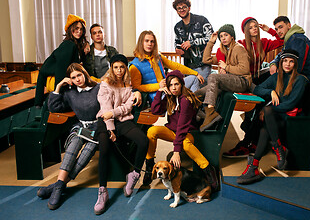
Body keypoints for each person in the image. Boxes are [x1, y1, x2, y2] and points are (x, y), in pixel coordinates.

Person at [237, 49, 307, 184]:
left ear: (295, 64)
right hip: (274, 118)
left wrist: (267, 110)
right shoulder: (277, 77)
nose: (287, 64)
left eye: (291, 61)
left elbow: (290, 104)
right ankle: (261, 161)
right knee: (265, 127)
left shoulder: (300, 80)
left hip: (290, 118)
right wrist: (271, 92)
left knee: (268, 112)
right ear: (281, 62)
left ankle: (257, 164)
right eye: (285, 61)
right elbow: (257, 89)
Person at [36, 63, 100, 210]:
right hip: (80, 126)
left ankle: (58, 186)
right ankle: (59, 185)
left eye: (79, 75)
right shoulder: (70, 92)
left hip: (97, 128)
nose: (77, 79)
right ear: (69, 79)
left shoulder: (98, 88)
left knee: (86, 153)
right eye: (73, 77)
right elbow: (54, 107)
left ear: (84, 73)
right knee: (72, 147)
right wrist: (58, 87)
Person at [142, 70, 219, 191]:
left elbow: (182, 127)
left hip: (188, 132)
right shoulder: (170, 97)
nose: (173, 88)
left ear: (181, 84)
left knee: (186, 145)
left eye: (176, 84)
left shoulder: (185, 100)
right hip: (173, 131)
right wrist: (159, 92)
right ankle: (149, 167)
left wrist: (176, 152)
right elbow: (156, 111)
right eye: (171, 85)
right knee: (152, 131)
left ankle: (208, 169)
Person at [93, 54, 149, 215]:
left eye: (122, 67)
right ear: (111, 68)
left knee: (143, 141)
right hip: (104, 122)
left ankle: (134, 174)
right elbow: (105, 109)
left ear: (126, 68)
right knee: (104, 149)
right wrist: (110, 129)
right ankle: (102, 191)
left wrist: (114, 112)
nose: (119, 70)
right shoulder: (105, 84)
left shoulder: (128, 84)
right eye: (116, 67)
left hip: (123, 120)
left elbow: (127, 107)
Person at [222, 17, 284, 158]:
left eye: (255, 26)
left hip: (258, 78)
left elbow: (281, 41)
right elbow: (225, 51)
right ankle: (250, 136)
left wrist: (270, 30)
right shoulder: (241, 44)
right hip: (247, 79)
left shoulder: (264, 42)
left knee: (259, 104)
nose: (254, 29)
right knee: (253, 108)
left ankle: (252, 139)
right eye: (250, 27)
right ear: (245, 31)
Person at [195, 24, 251, 132]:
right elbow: (206, 60)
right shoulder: (225, 51)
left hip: (242, 81)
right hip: (231, 80)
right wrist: (211, 42)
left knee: (213, 77)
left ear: (232, 37)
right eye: (221, 36)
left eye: (226, 35)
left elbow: (245, 69)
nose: (223, 38)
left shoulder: (239, 48)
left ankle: (210, 112)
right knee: (198, 93)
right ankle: (201, 116)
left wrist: (227, 67)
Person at [129, 30, 203, 102]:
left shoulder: (158, 57)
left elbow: (176, 66)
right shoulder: (135, 65)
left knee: (194, 79)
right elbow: (137, 87)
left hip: (169, 86)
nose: (150, 44)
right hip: (158, 94)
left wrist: (195, 73)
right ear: (141, 43)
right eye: (146, 41)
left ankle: (193, 105)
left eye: (152, 41)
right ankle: (187, 106)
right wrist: (158, 86)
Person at [35, 14, 88, 107]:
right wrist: (58, 94)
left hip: (57, 76)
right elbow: (61, 70)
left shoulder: (76, 45)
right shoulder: (68, 45)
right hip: (51, 76)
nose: (79, 31)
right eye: (76, 29)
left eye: (81, 29)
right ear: (70, 30)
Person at [173, 0, 213, 92]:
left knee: (201, 91)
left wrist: (192, 43)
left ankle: (204, 107)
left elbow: (211, 38)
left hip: (202, 64)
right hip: (188, 66)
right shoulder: (177, 27)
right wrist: (177, 49)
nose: (182, 10)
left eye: (184, 7)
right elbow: (177, 42)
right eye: (179, 8)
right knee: (190, 92)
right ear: (177, 11)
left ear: (189, 8)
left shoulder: (202, 20)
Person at [269, 16, 310, 80]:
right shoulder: (290, 38)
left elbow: (296, 67)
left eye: (281, 27)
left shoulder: (297, 39)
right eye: (276, 29)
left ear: (289, 25)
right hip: (297, 79)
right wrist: (273, 63)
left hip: (302, 80)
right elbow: (281, 55)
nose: (278, 31)